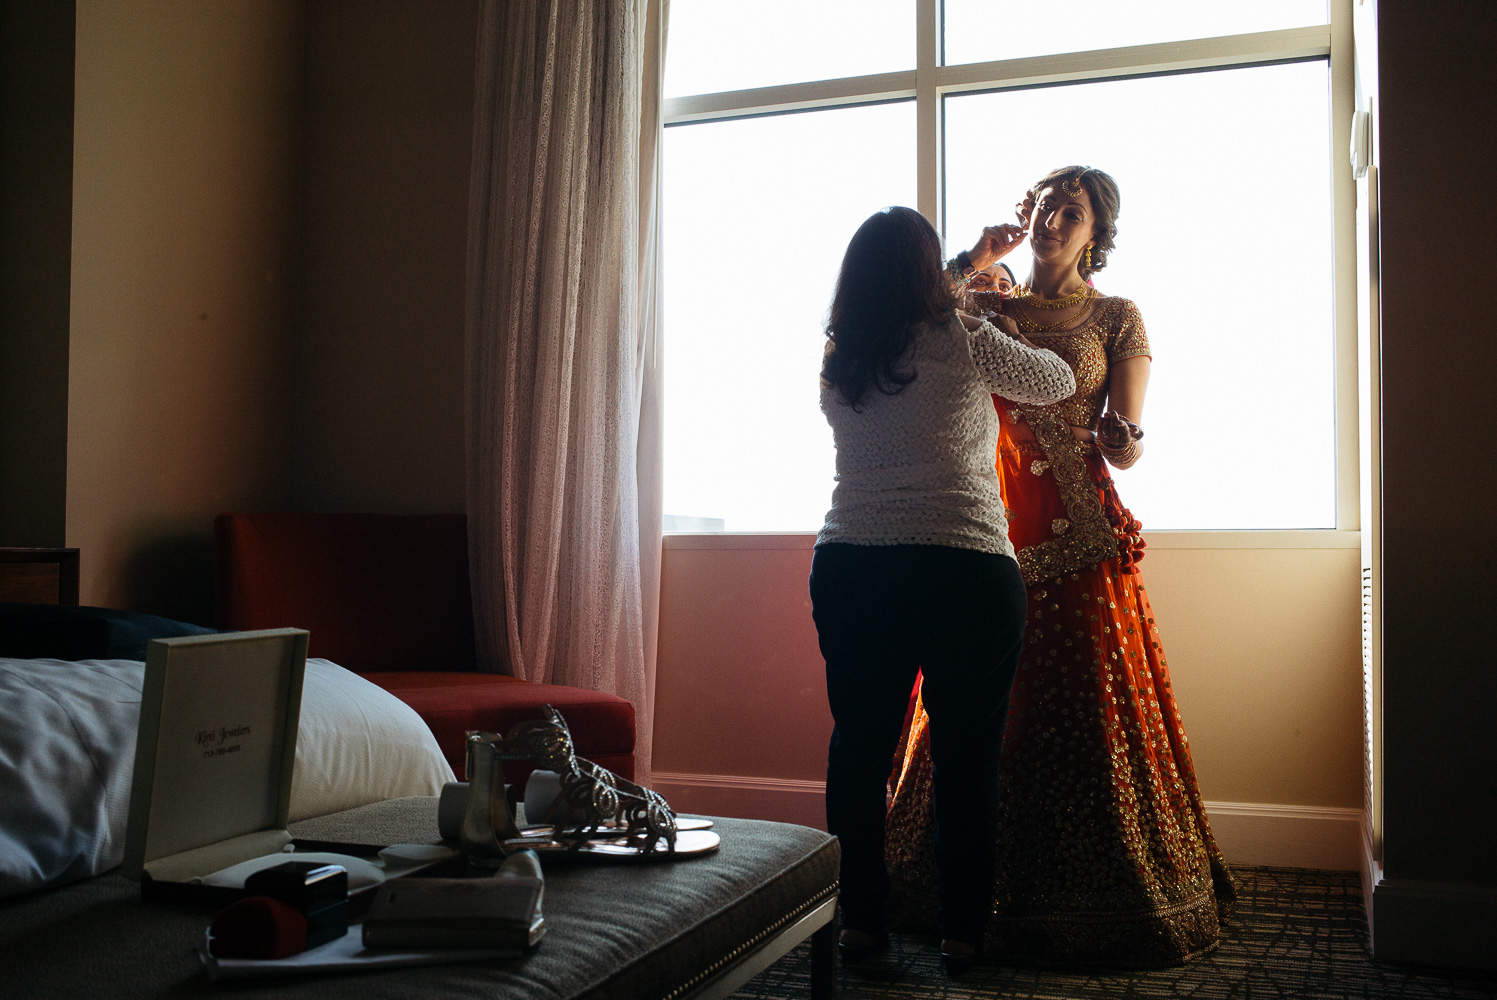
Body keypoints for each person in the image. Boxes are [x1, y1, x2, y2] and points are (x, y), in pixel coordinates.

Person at [884, 166, 1237, 968]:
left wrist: (1125, 441)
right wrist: (977, 256)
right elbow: (905, 319)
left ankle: (1098, 895)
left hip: (1079, 540)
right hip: (983, 529)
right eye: (1043, 205)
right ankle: (952, 896)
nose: (1051, 220)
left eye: (1069, 212)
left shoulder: (1115, 316)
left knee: (1084, 709)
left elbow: (1130, 434)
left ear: (1094, 233)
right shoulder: (982, 304)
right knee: (974, 712)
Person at [813, 206, 1076, 974]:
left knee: (857, 751)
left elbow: (899, 308)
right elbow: (1054, 382)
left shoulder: (841, 353)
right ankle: (962, 930)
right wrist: (981, 298)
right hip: (963, 567)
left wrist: (961, 268)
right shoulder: (962, 339)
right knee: (967, 756)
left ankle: (860, 919)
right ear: (934, 274)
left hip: (856, 567)